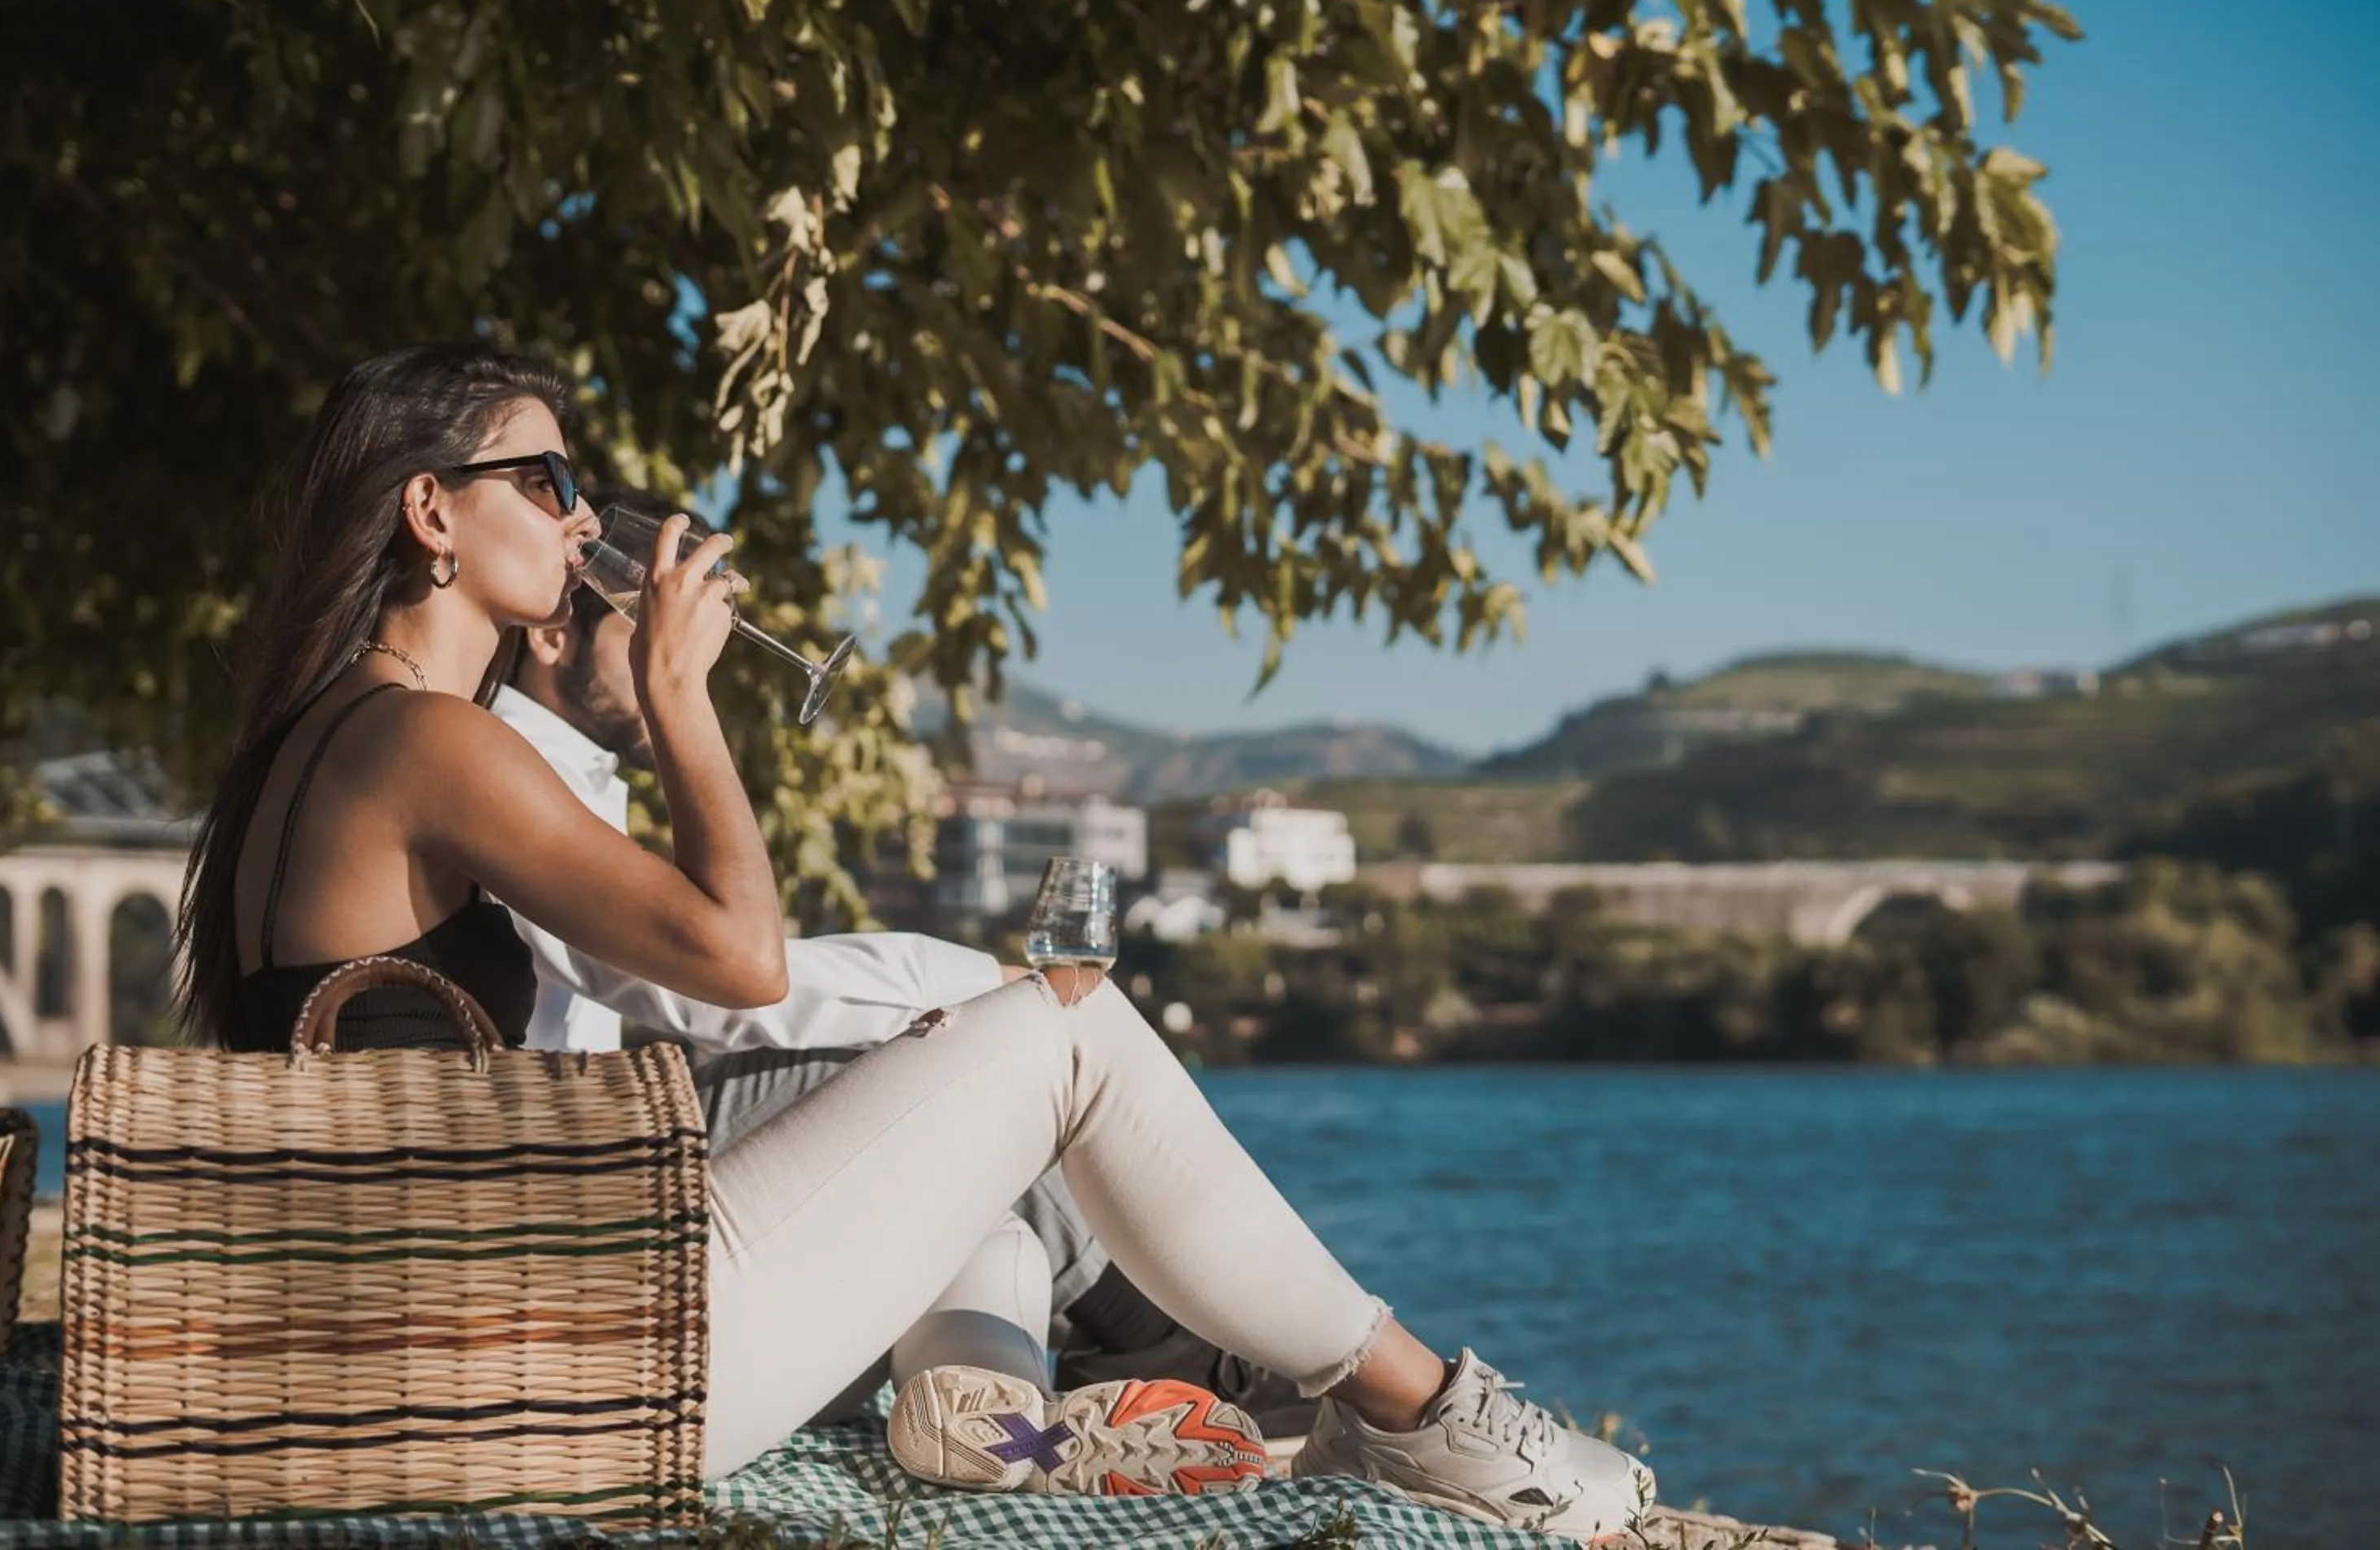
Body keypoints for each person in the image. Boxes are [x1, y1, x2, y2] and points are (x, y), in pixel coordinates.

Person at [176, 344, 1657, 1542]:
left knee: (981, 1111)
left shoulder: (317, 745)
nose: (581, 518)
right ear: (431, 513)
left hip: (465, 1361)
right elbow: (743, 961)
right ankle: (1432, 1417)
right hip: (559, 1386)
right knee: (1063, 1025)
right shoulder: (427, 742)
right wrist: (687, 703)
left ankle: (1028, 1405)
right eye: (548, 476)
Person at [492, 483, 1318, 1443]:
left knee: (984, 1199)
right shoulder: (508, 764)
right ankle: (1176, 1350)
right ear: (553, 633)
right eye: (649, 626)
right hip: (582, 1205)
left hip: (606, 1163)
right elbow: (720, 993)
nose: (685, 655)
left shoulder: (563, 768)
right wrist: (977, 987)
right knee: (962, 1059)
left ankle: (1039, 1412)